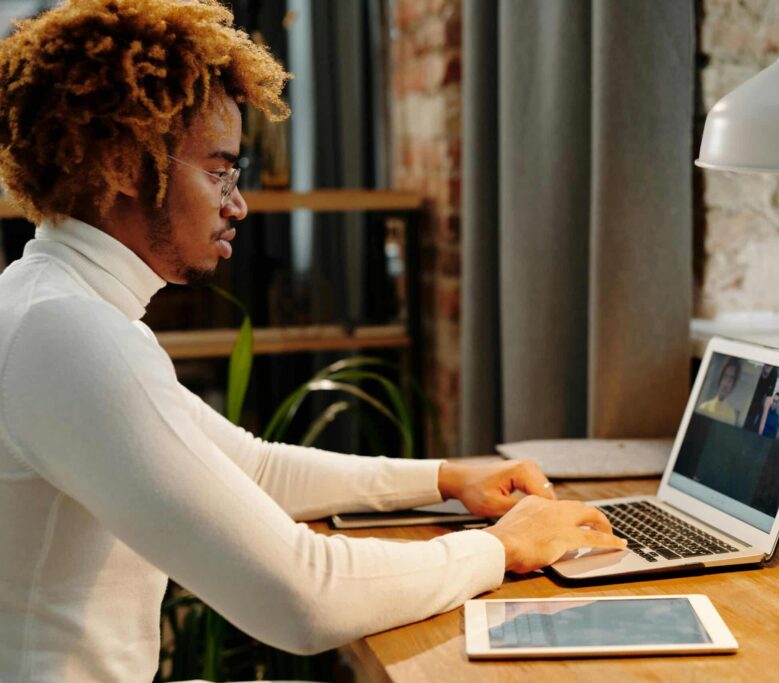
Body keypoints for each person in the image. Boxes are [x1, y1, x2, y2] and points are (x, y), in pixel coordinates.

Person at [0, 2, 624, 680]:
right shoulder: (67, 333)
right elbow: (301, 597)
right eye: (220, 170)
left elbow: (252, 469)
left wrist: (447, 479)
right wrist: (501, 549)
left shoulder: (52, 307)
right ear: (124, 164)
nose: (236, 204)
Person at [698, 357, 740, 425]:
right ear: (721, 378)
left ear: (733, 384)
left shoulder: (731, 415)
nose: (726, 383)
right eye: (725, 376)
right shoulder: (704, 407)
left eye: (731, 379)